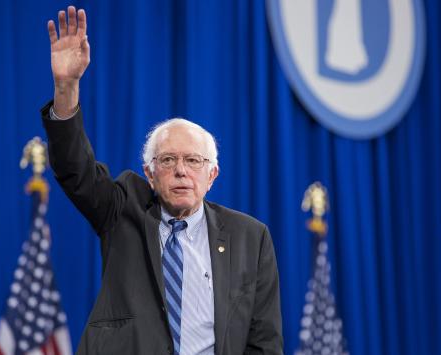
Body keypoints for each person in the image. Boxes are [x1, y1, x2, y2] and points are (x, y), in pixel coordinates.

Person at [41, 6, 283, 355]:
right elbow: (74, 168)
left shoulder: (250, 237)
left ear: (212, 175)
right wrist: (66, 87)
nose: (181, 170)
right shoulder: (124, 208)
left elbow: (264, 342)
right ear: (150, 174)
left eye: (193, 161)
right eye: (168, 160)